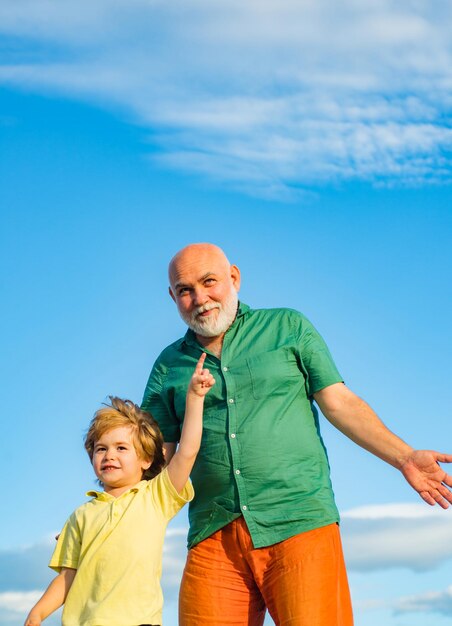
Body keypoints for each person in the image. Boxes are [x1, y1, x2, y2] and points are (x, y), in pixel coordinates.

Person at [142, 242, 452, 626]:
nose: (200, 298)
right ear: (172, 296)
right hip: (212, 533)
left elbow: (339, 402)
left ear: (234, 278)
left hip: (299, 521)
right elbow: (153, 458)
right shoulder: (167, 365)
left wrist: (404, 457)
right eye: (185, 290)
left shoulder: (287, 327)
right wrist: (102, 519)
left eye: (209, 282)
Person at [24, 353, 215, 626]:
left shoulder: (155, 497)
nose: (109, 455)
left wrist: (195, 399)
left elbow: (186, 451)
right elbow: (67, 577)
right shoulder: (80, 516)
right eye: (101, 448)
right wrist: (37, 613)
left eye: (121, 448)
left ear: (146, 459)